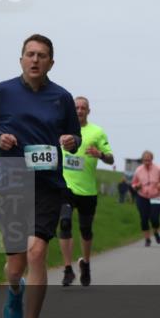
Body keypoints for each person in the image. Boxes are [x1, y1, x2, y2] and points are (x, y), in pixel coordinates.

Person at [0, 34, 81, 318]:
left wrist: (69, 141)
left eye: (42, 55)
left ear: (51, 62)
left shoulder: (61, 97)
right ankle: (13, 288)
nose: (35, 60)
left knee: (36, 253)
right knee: (15, 265)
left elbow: (75, 137)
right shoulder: (3, 91)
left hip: (47, 185)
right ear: (21, 58)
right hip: (10, 184)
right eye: (30, 54)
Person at [58, 96, 114, 286]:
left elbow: (111, 159)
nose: (79, 110)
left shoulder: (97, 132)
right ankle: (67, 269)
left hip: (88, 190)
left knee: (85, 230)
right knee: (64, 223)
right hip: (66, 186)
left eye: (83, 108)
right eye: (76, 107)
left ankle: (86, 264)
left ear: (88, 111)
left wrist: (100, 154)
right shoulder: (61, 129)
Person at [131, 151, 160, 246]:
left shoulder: (159, 169)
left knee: (155, 218)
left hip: (156, 196)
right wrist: (136, 186)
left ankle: (155, 232)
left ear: (152, 159)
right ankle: (147, 239)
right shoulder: (138, 170)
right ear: (142, 160)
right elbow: (133, 184)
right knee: (144, 218)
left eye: (149, 159)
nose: (147, 161)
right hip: (142, 196)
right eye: (145, 160)